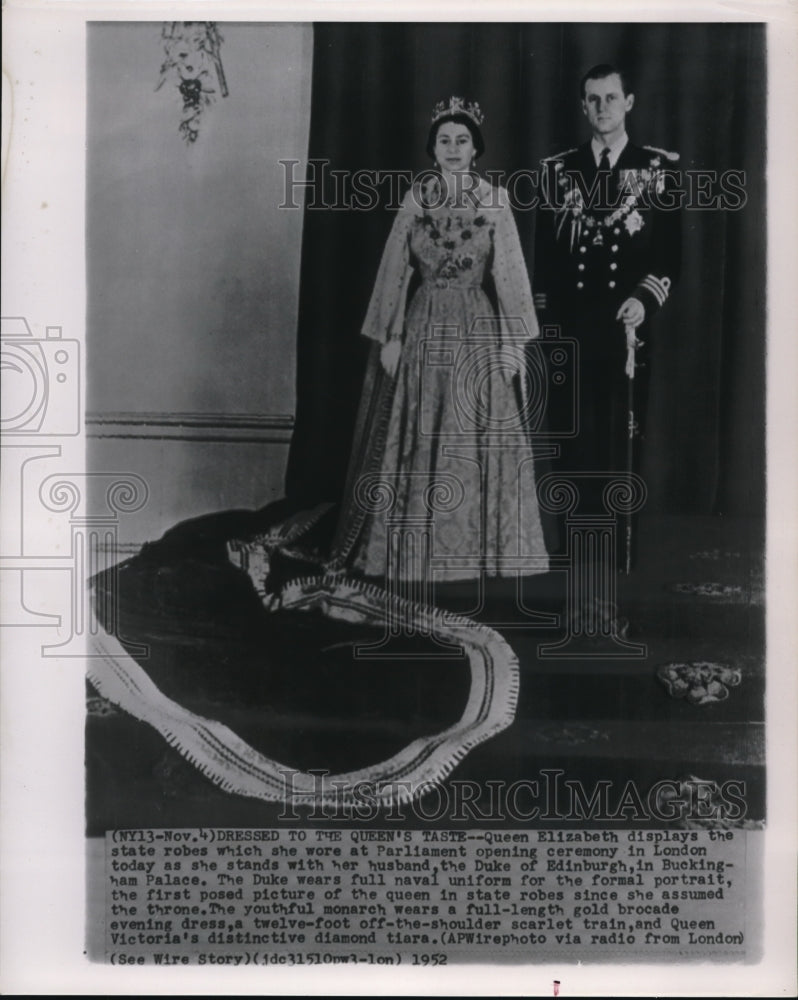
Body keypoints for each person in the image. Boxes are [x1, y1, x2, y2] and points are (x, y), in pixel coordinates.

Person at [333, 97, 550, 585]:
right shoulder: (416, 200)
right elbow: (394, 271)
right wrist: (390, 336)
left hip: (476, 324)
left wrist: (513, 342)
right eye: (444, 141)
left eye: (462, 140)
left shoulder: (494, 201)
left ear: (476, 149)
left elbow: (511, 273)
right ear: (433, 150)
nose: (453, 149)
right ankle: (413, 549)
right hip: (425, 321)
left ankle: (481, 552)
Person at [533, 64, 681, 606]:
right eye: (592, 100)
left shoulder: (657, 171)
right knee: (574, 443)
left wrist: (643, 300)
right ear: (583, 107)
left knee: (622, 441)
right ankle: (576, 555)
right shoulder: (558, 171)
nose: (602, 108)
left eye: (611, 98)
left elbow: (670, 255)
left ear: (629, 102)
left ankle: (620, 556)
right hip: (573, 327)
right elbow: (545, 260)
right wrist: (550, 328)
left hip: (626, 329)